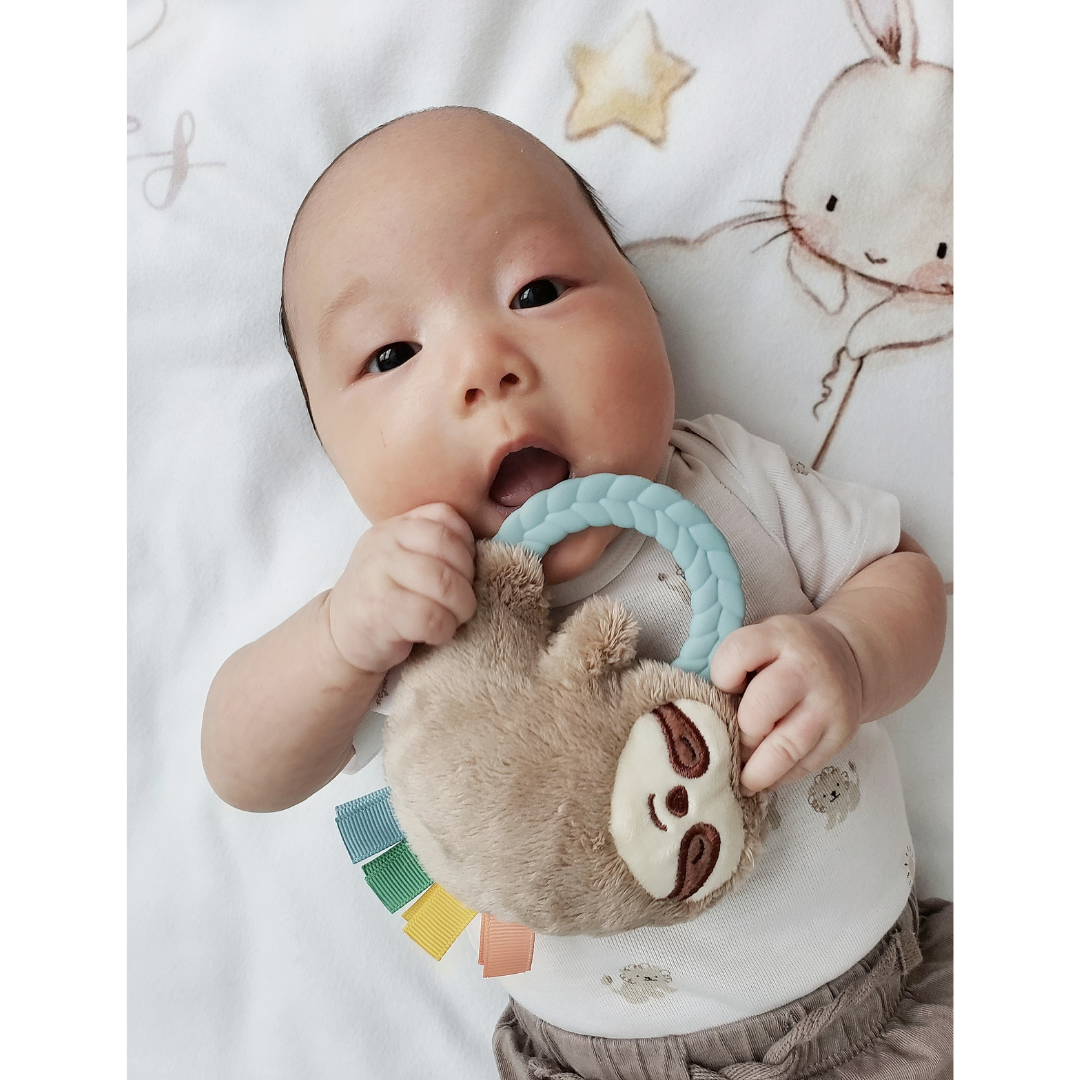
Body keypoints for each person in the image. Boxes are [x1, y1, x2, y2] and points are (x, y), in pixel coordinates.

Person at [202, 106, 951, 1079]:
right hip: (591, 1062)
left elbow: (904, 578)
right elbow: (241, 769)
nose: (484, 368)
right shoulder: (412, 607)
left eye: (537, 290)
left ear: (648, 309)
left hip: (875, 1012)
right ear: (334, 454)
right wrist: (339, 637)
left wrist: (850, 653)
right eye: (393, 354)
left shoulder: (724, 479)